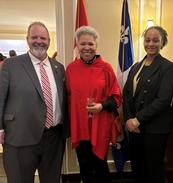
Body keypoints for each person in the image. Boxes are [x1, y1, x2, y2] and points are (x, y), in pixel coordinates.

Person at [0, 21, 69, 183]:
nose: (39, 41)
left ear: (49, 41)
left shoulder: (59, 68)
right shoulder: (11, 65)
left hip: (53, 137)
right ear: (27, 39)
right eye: (34, 37)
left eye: (43, 38)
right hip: (20, 136)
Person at [66, 26, 122, 183]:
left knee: (100, 166)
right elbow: (68, 98)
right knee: (84, 167)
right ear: (77, 45)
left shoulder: (106, 68)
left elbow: (117, 98)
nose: (87, 47)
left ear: (96, 46)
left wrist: (101, 106)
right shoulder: (70, 69)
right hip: (80, 126)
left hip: (100, 126)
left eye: (90, 44)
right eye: (83, 44)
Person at [123, 25, 173, 183]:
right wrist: (128, 120)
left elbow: (163, 100)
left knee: (154, 172)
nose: (151, 44)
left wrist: (137, 119)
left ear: (162, 43)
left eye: (155, 40)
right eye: (147, 40)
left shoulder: (169, 67)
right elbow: (126, 95)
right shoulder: (136, 67)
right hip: (134, 128)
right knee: (137, 169)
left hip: (155, 129)